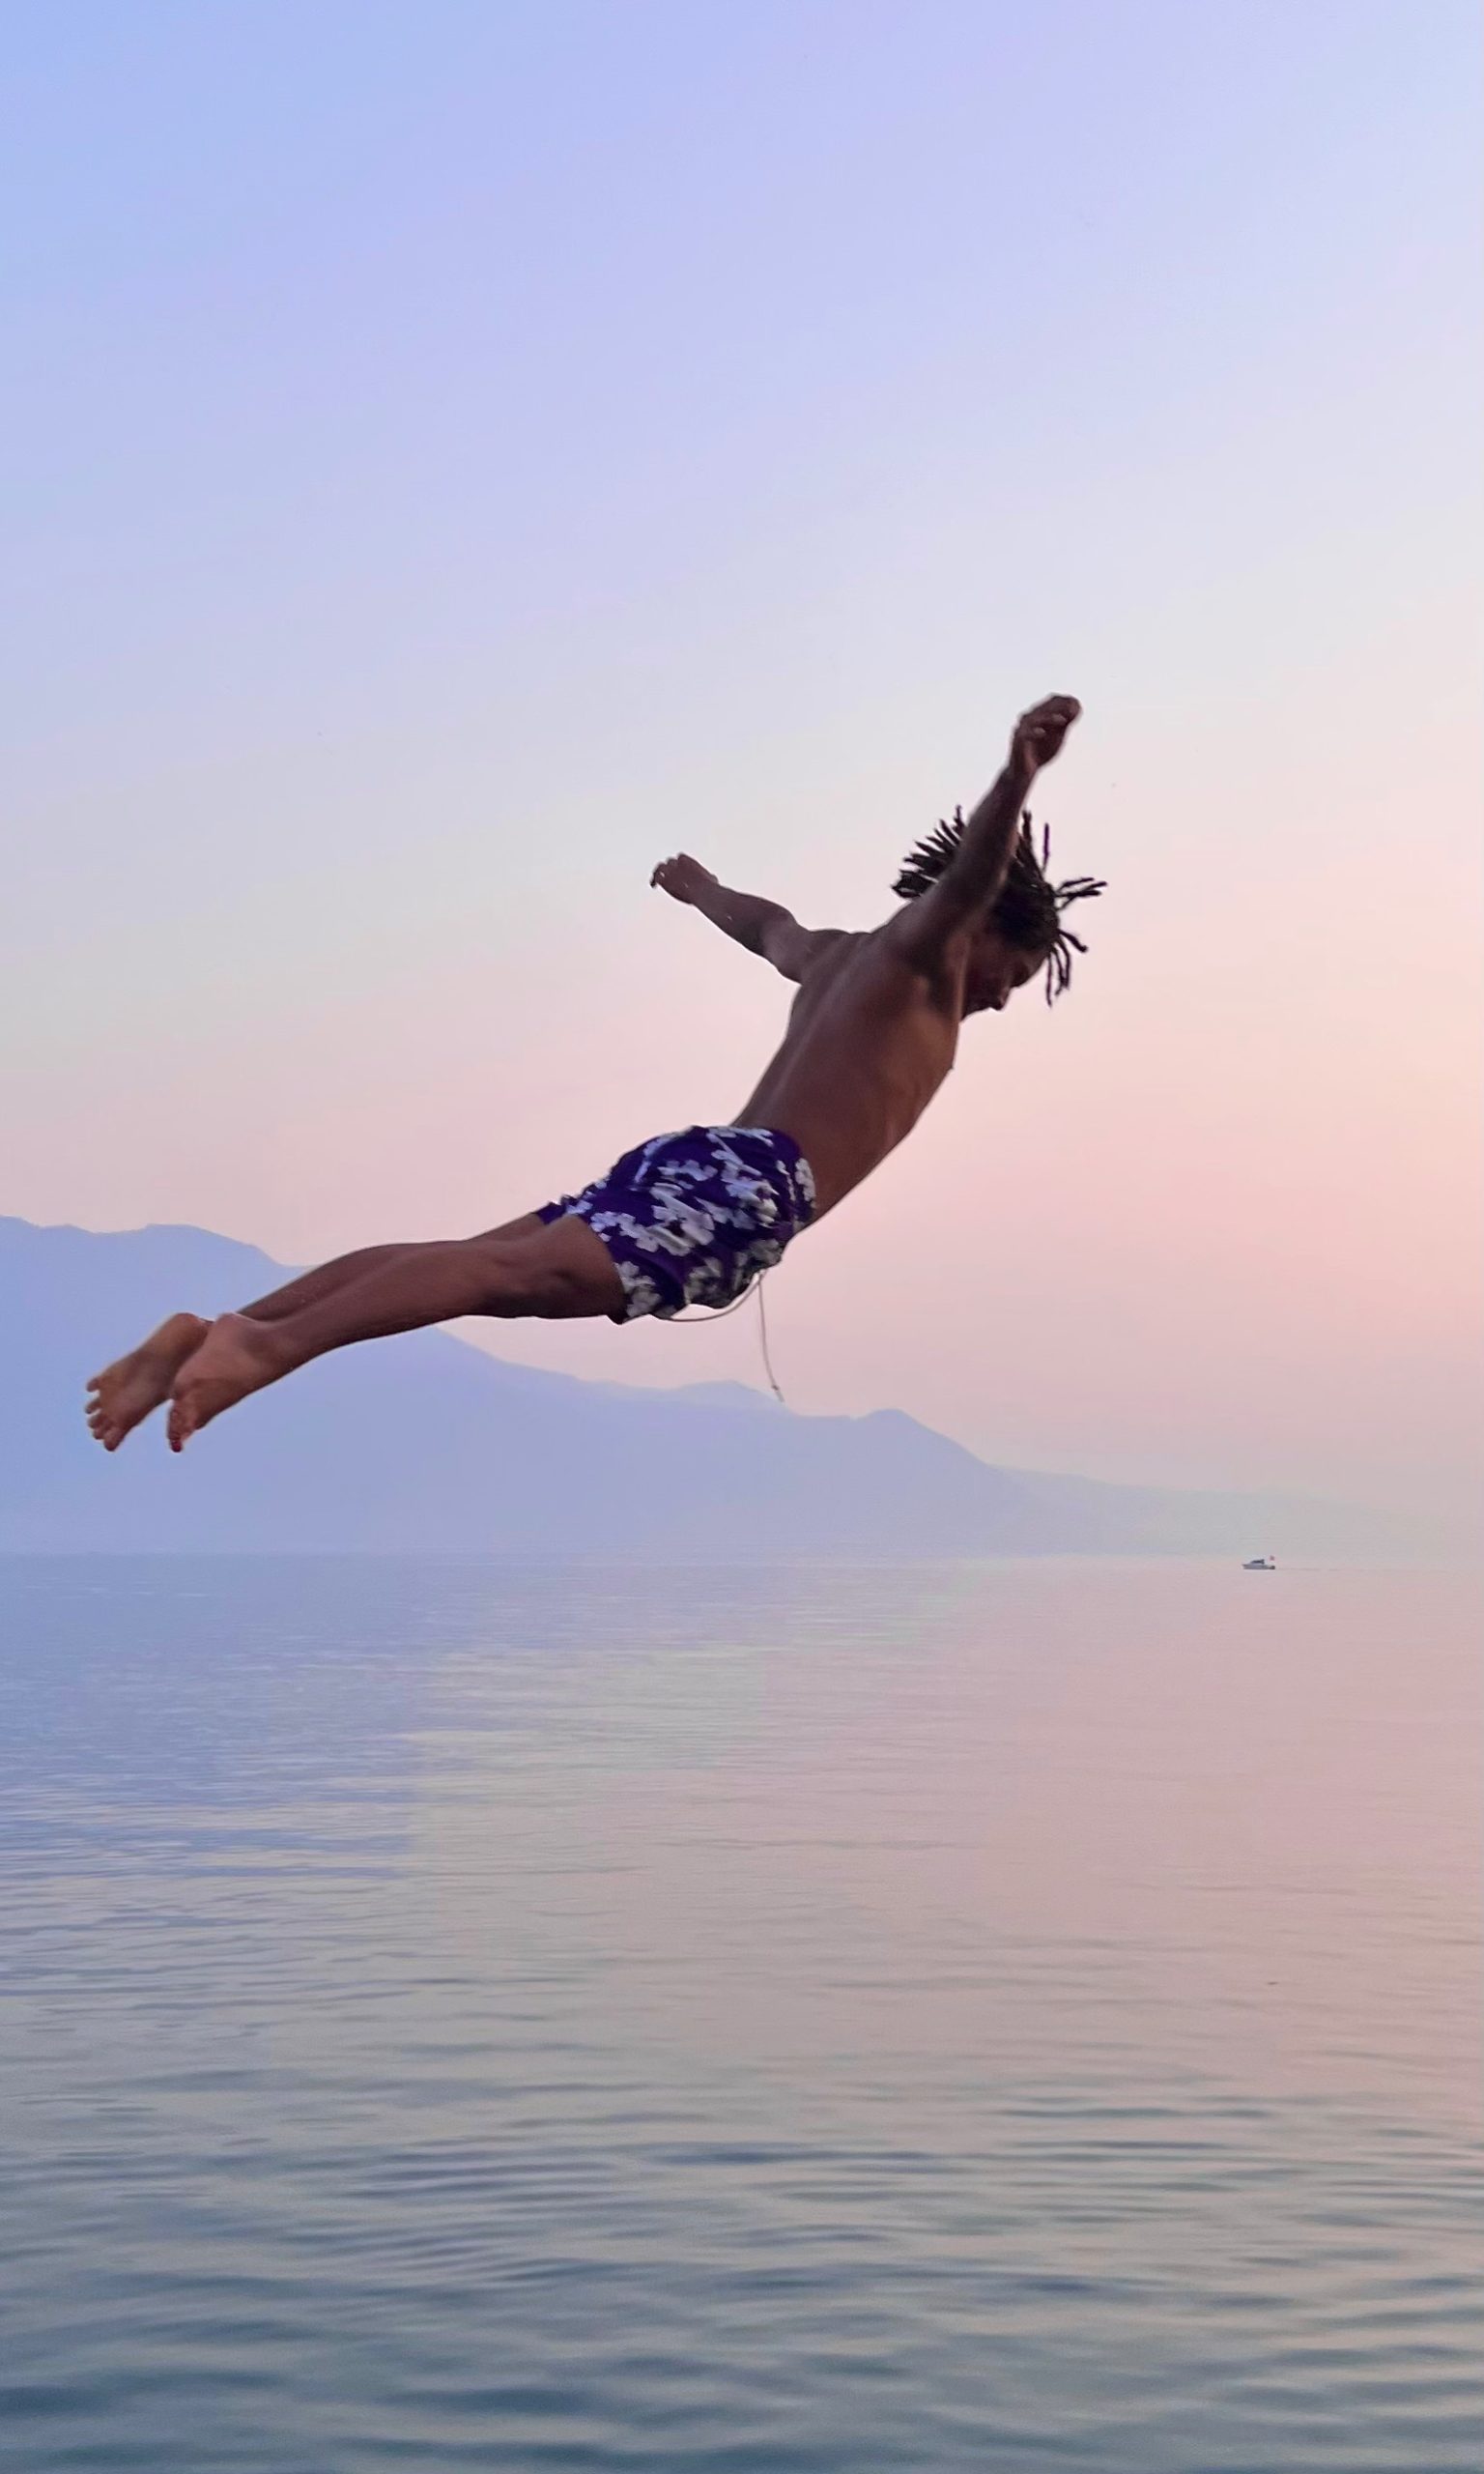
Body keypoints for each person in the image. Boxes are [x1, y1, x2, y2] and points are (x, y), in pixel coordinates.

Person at [86, 693, 1099, 1453]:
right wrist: (1017, 776)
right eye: (1012, 975)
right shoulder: (923, 963)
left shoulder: (841, 957)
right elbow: (968, 879)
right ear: (981, 931)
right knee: (509, 1277)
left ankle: (232, 1330)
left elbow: (770, 929)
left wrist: (702, 890)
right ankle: (267, 1350)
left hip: (704, 1159)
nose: (1003, 998)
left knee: (478, 1259)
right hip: (748, 1187)